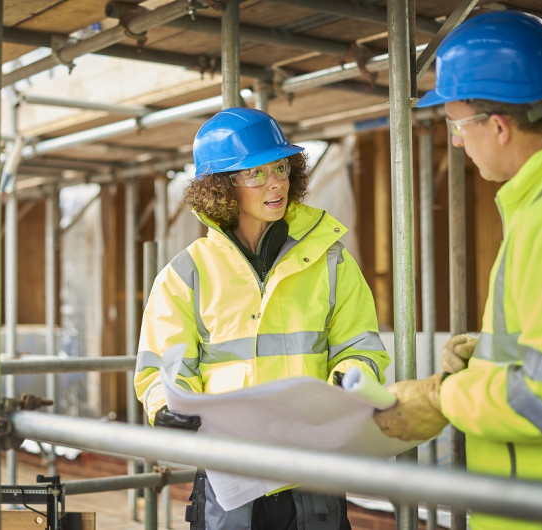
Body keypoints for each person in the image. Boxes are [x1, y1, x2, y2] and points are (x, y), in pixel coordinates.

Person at [373, 10, 542, 530]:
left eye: (457, 125)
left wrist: (442, 396)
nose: (458, 142)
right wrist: (486, 357)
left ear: (499, 126)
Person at [134, 107, 390, 529]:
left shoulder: (331, 261)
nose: (275, 183)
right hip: (229, 473)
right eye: (255, 173)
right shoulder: (187, 273)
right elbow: (161, 369)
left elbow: (360, 347)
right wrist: (166, 407)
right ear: (221, 187)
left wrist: (349, 380)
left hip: (312, 466)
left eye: (281, 168)